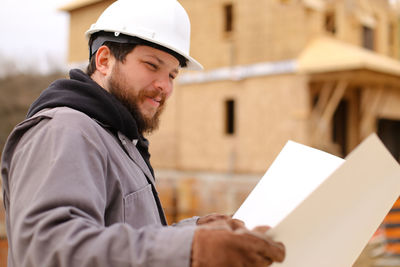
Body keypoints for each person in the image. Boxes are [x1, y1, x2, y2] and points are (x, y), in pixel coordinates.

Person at [1, 0, 285, 266]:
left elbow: (130, 234)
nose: (165, 86)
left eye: (173, 75)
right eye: (152, 65)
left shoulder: (117, 139)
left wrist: (195, 230)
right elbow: (46, 251)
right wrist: (190, 248)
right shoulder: (64, 130)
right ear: (104, 60)